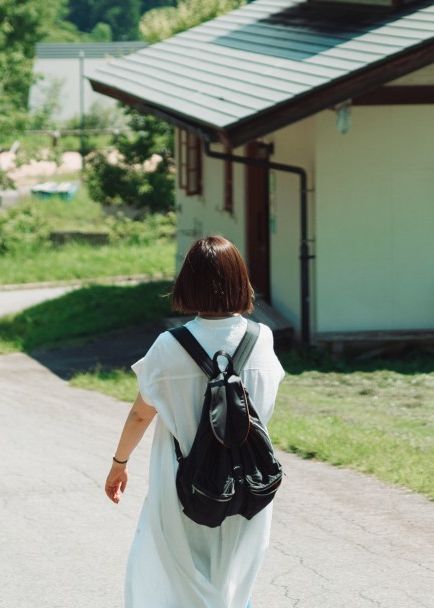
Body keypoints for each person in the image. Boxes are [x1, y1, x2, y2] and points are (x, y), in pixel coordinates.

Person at [105, 235, 284, 607]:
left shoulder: (170, 346)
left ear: (188, 283)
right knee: (233, 583)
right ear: (240, 281)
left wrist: (119, 464)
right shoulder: (262, 339)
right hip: (249, 485)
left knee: (181, 581)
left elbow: (141, 413)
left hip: (185, 488)